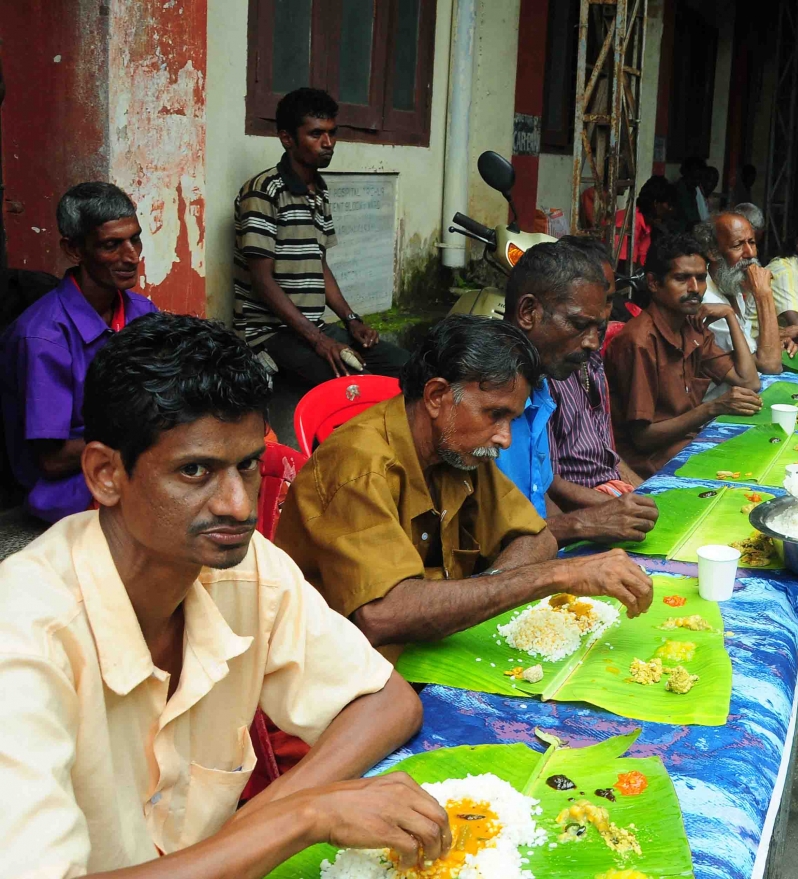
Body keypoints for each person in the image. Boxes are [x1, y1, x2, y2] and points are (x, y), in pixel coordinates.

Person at [0, 312, 453, 875]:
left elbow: (385, 702)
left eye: (247, 466)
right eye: (195, 470)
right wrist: (301, 817)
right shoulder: (22, 637)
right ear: (105, 474)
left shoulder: (242, 568)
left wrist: (252, 829)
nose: (238, 506)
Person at [273, 315, 653, 657]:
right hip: (342, 668)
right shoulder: (360, 465)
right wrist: (556, 576)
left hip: (430, 651)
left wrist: (482, 595)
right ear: (437, 396)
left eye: (512, 419)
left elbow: (536, 538)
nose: (505, 438)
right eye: (496, 414)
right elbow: (383, 616)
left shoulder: (458, 448)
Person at [0, 183, 158, 523]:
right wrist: (142, 429)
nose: (131, 256)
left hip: (133, 455)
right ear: (74, 250)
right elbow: (52, 460)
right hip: (70, 491)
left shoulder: (141, 312)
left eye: (135, 239)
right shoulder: (43, 338)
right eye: (111, 245)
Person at [233, 87, 408, 387]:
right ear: (287, 138)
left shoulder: (319, 190)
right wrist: (318, 340)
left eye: (331, 133)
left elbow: (320, 266)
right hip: (270, 334)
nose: (328, 143)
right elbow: (262, 280)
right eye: (316, 134)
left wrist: (351, 320)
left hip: (313, 328)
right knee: (357, 385)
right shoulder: (263, 192)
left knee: (407, 367)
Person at [498, 241, 659, 545]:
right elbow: (489, 536)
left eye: (596, 328)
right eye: (578, 324)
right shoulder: (484, 397)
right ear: (528, 312)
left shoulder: (539, 387)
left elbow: (539, 501)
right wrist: (580, 525)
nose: (591, 342)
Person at [606, 233, 762, 478]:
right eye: (681, 278)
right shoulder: (640, 342)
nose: (695, 289)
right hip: (652, 463)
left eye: (700, 279)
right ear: (654, 283)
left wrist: (730, 315)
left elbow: (749, 381)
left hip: (687, 443)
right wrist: (713, 408)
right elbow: (643, 439)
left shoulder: (691, 327)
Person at [549, 236, 652, 498]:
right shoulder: (548, 369)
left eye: (608, 301)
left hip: (612, 493)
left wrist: (650, 495)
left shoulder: (592, 357)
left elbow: (608, 456)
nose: (604, 315)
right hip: (587, 505)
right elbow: (550, 483)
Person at [696, 210, 798, 376]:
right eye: (737, 245)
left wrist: (775, 339)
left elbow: (744, 345)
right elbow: (769, 365)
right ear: (713, 252)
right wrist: (764, 294)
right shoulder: (707, 299)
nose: (750, 253)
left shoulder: (730, 283)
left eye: (752, 242)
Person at [617, 175, 675, 267]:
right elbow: (622, 267)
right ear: (656, 203)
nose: (671, 209)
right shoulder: (628, 223)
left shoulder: (649, 225)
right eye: (669, 205)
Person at [674, 157, 709, 229]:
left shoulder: (693, 189)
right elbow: (690, 219)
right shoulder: (680, 190)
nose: (698, 181)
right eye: (696, 177)